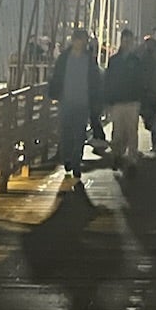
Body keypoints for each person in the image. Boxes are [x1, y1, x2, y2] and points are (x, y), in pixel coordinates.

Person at [46, 27, 101, 190]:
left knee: (79, 134)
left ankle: (75, 162)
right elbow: (57, 76)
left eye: (83, 40)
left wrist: (95, 100)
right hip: (66, 101)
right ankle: (68, 158)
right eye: (79, 40)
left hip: (82, 102)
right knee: (66, 133)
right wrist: (54, 92)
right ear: (74, 40)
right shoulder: (64, 58)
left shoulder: (89, 60)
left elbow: (95, 80)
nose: (81, 43)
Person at [100, 27, 148, 171]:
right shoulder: (114, 61)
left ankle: (131, 157)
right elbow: (108, 81)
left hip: (132, 101)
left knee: (131, 131)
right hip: (118, 101)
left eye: (129, 40)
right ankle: (117, 155)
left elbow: (140, 81)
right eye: (125, 40)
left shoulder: (135, 61)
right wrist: (108, 101)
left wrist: (141, 99)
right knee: (118, 131)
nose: (127, 43)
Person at [138, 32, 156, 154]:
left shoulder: (143, 57)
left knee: (152, 119)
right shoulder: (151, 58)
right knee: (151, 120)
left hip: (149, 93)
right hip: (148, 93)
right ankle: (155, 144)